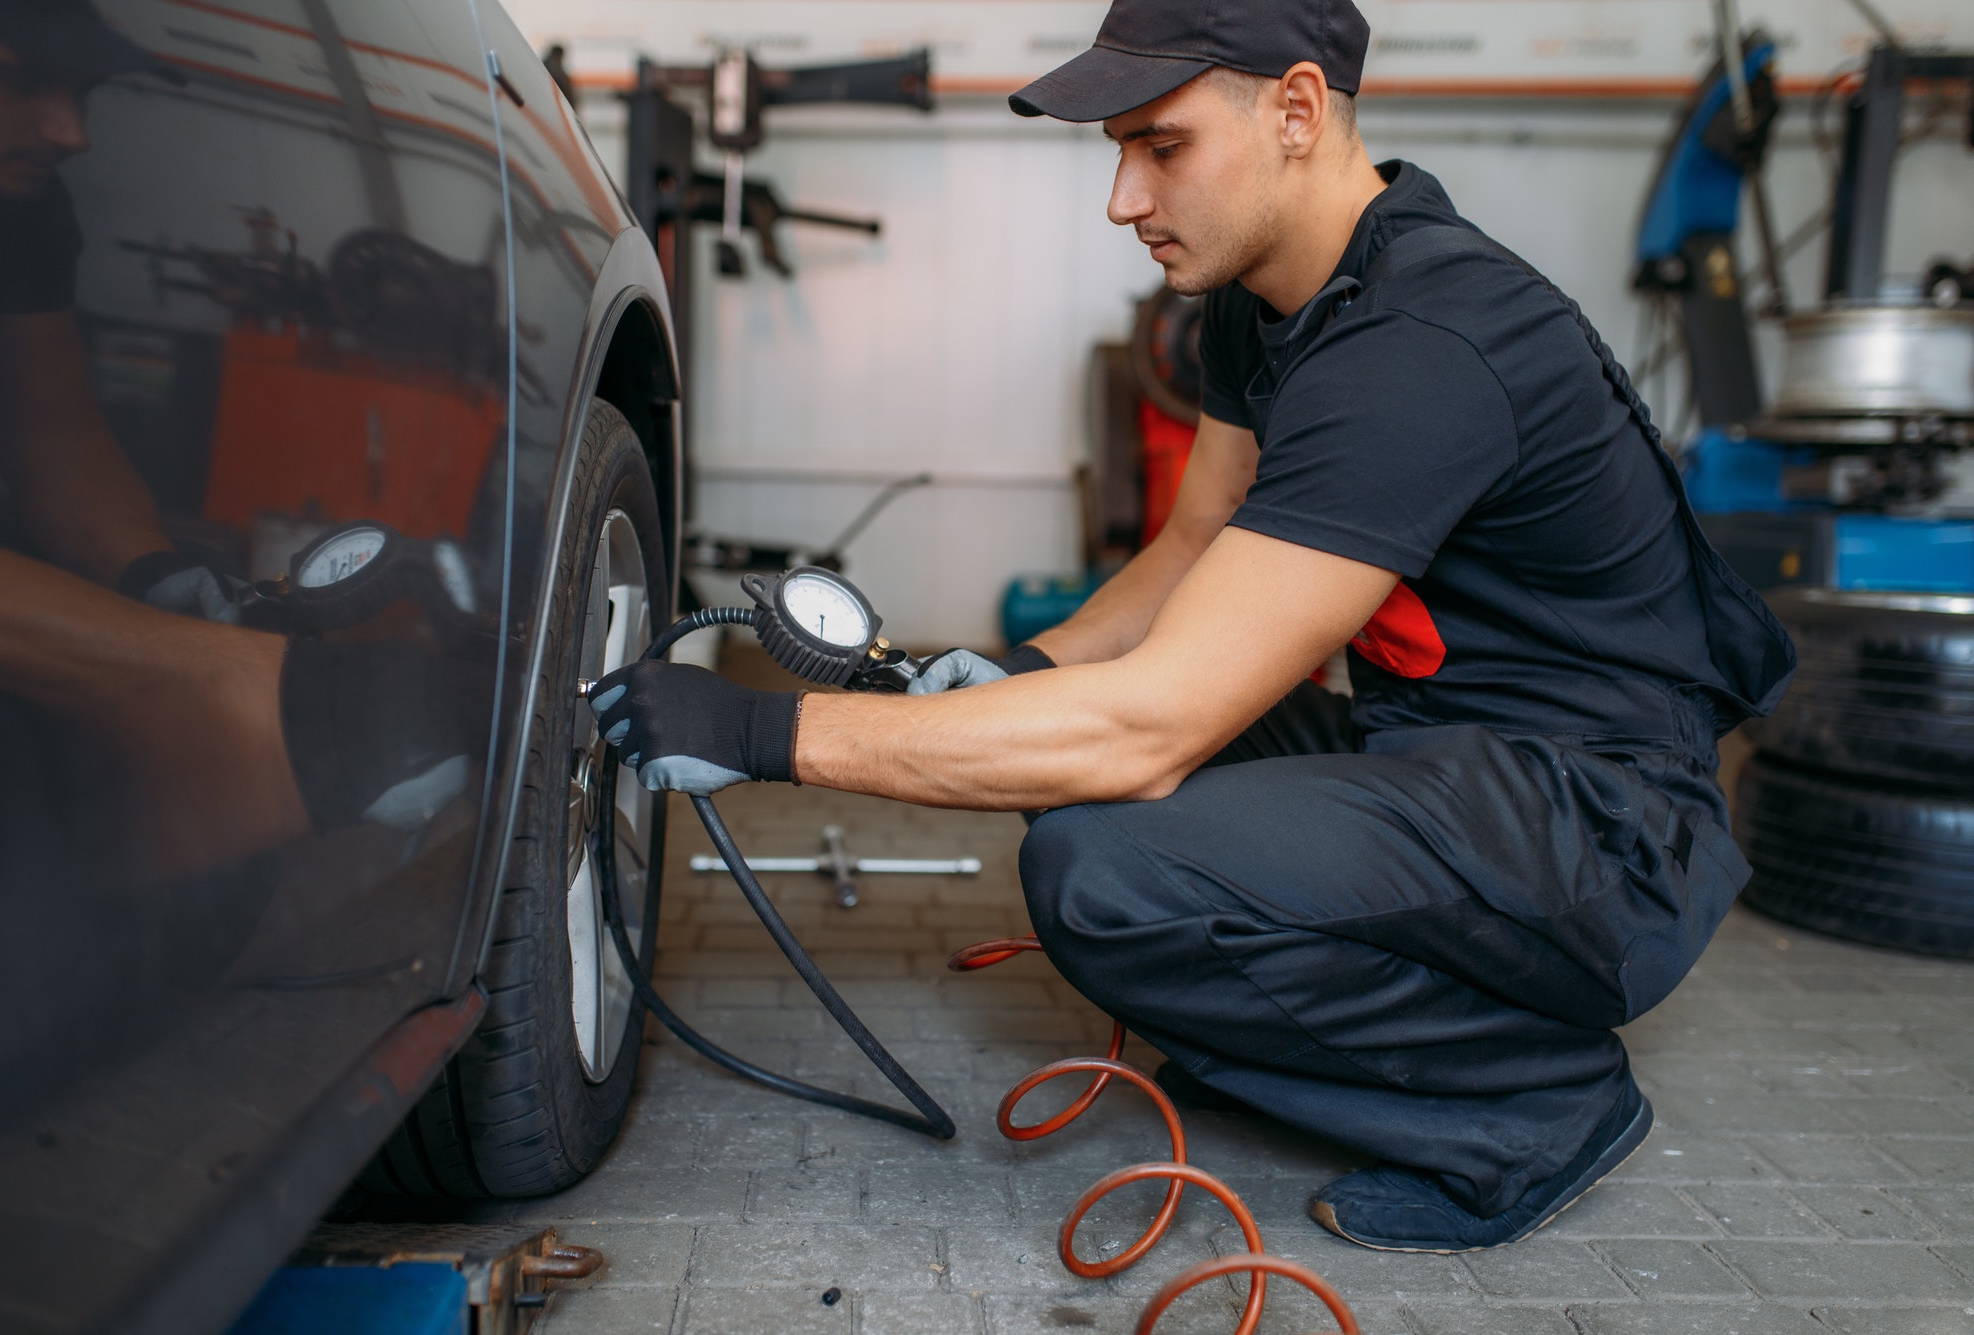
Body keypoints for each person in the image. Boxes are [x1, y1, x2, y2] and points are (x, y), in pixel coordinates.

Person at [585, 0, 1795, 1252]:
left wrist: (762, 729)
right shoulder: (1264, 298)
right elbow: (1188, 548)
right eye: (1117, 151)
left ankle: (1530, 1107)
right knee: (1059, 770)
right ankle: (1290, 1020)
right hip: (1440, 755)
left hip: (1601, 832)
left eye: (1160, 147)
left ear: (1296, 110)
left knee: (1104, 868)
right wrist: (1017, 673)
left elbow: (1145, 729)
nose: (1123, 198)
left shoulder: (1425, 342)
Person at [0, 0, 474, 883]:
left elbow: (48, 429)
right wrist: (189, 674)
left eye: (82, 92)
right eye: (18, 79)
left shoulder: (20, 208)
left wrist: (147, 577)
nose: (72, 131)